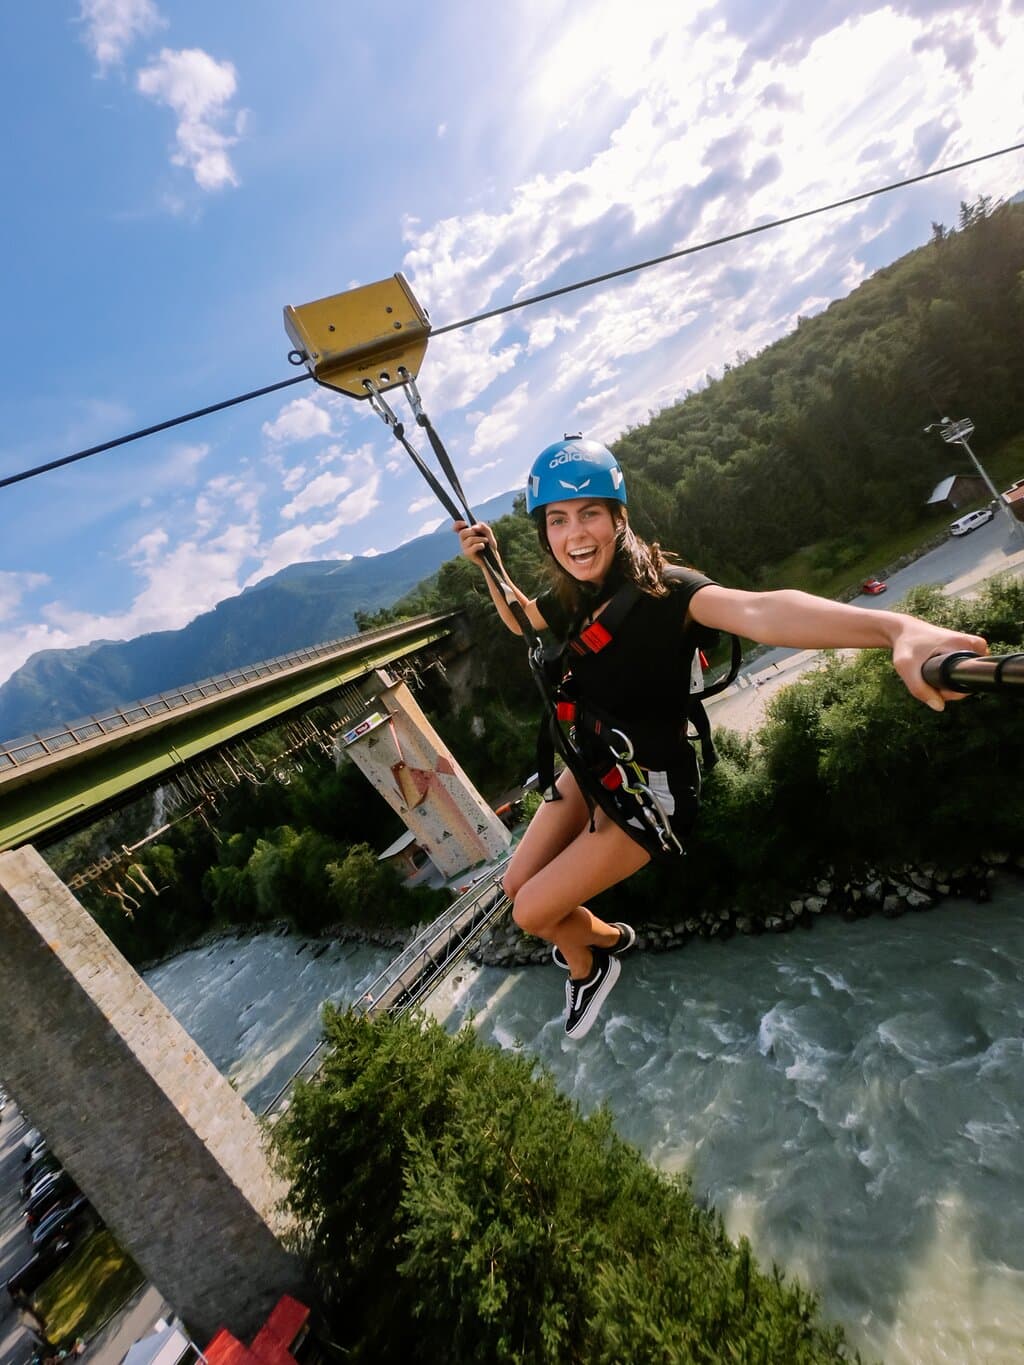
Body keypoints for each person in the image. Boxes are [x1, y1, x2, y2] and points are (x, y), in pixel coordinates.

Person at [455, 437, 988, 1040]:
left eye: (589, 514)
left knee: (532, 912)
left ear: (617, 518)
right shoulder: (575, 596)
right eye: (558, 520)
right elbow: (524, 620)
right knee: (512, 886)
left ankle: (594, 957)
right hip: (590, 765)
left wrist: (895, 628)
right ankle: (598, 937)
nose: (575, 534)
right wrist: (488, 564)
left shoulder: (671, 593)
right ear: (545, 531)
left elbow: (762, 611)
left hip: (648, 794)